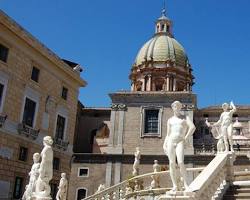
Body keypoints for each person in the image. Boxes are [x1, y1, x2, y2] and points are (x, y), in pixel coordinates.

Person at [163, 101, 196, 191]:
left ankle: (186, 184)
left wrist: (185, 137)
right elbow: (168, 133)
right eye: (175, 106)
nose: (176, 107)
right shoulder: (170, 120)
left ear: (180, 107)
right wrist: (164, 144)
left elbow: (192, 127)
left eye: (178, 106)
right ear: (172, 108)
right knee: (172, 163)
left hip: (180, 141)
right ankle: (175, 185)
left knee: (181, 162)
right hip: (170, 141)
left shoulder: (185, 117)